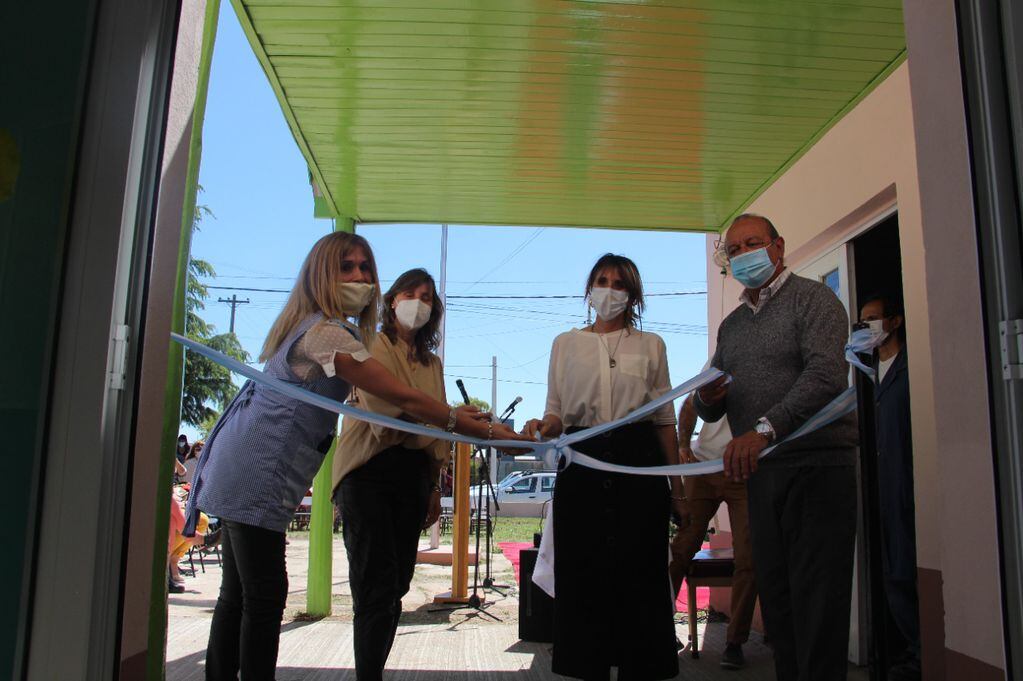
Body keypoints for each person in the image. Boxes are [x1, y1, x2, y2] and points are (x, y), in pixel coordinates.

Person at [184, 233, 525, 681]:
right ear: (321, 274)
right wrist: (496, 434)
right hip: (257, 468)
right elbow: (399, 399)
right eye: (347, 267)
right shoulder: (328, 333)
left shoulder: (322, 328)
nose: (360, 276)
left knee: (239, 596)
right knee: (264, 598)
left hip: (245, 462)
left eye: (366, 267)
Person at [695, 214, 858, 681]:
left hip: (819, 470)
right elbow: (712, 405)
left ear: (779, 247)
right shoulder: (731, 327)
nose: (745, 255)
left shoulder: (816, 300)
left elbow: (827, 376)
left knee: (819, 602)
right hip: (761, 477)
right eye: (736, 250)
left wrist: (764, 430)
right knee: (780, 601)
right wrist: (708, 400)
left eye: (754, 244)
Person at [522, 253, 683, 681]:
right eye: (602, 280)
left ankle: (641, 665)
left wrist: (677, 487)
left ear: (632, 294)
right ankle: (586, 666)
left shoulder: (652, 346)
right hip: (583, 466)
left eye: (618, 283)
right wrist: (544, 426)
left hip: (638, 466)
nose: (609, 290)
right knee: (584, 574)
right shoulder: (565, 343)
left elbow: (664, 421)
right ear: (589, 288)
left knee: (640, 573)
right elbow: (556, 412)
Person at [331, 268, 451, 681]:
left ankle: (373, 668)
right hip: (366, 473)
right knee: (375, 586)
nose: (421, 301)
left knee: (397, 584)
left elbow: (438, 434)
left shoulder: (433, 364)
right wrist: (436, 421)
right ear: (393, 299)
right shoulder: (369, 344)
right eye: (413, 292)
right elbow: (387, 419)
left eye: (429, 296)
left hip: (414, 477)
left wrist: (434, 485)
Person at [669, 387, 756, 670]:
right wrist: (683, 445)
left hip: (744, 469)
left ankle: (734, 643)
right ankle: (658, 627)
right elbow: (690, 406)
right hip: (704, 465)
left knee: (749, 556)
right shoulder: (720, 360)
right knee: (683, 546)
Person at [859, 293, 919, 681]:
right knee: (887, 572)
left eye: (875, 319)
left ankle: (918, 652)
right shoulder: (864, 374)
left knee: (905, 570)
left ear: (895, 322)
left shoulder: (910, 371)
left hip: (905, 487)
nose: (868, 328)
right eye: (862, 322)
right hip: (876, 488)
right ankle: (906, 650)